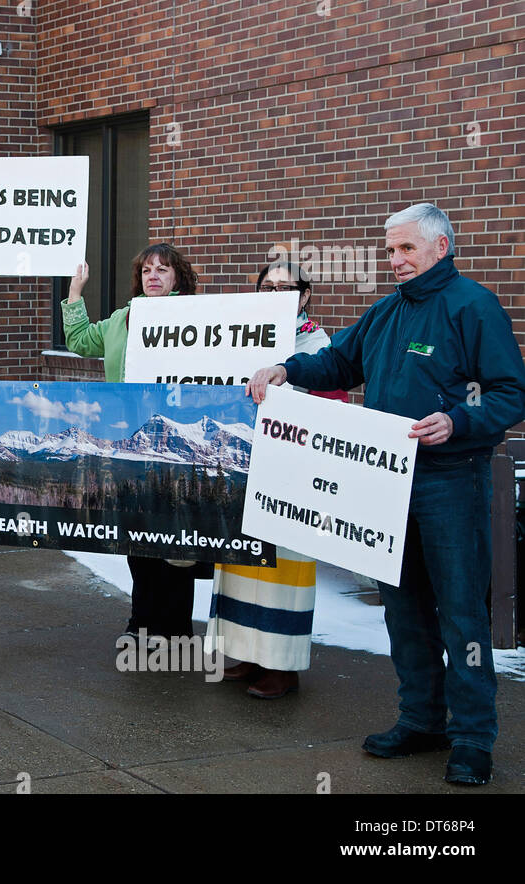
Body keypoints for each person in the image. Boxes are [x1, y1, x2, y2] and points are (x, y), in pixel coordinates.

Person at [247, 203, 525, 785]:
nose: (394, 260)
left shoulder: (474, 307)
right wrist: (285, 370)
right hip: (386, 483)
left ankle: (473, 737)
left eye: (405, 249)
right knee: (404, 609)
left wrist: (459, 419)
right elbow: (338, 361)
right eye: (390, 250)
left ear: (440, 248)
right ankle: (420, 719)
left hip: (451, 480)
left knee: (462, 613)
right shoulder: (386, 312)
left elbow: (507, 393)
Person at [206, 262, 345, 699]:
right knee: (242, 563)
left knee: (283, 567)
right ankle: (247, 652)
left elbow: (330, 405)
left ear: (305, 295)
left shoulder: (317, 344)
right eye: (268, 285)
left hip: (293, 472)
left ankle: (281, 666)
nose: (276, 292)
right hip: (246, 466)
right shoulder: (240, 338)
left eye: (287, 287)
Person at [62, 243, 202, 641]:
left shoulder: (196, 316)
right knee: (136, 536)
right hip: (129, 442)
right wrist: (75, 292)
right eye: (146, 270)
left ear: (178, 277)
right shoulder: (123, 318)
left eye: (163, 269)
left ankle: (174, 630)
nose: (153, 276)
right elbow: (80, 342)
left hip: (177, 444)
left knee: (175, 542)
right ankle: (142, 619)